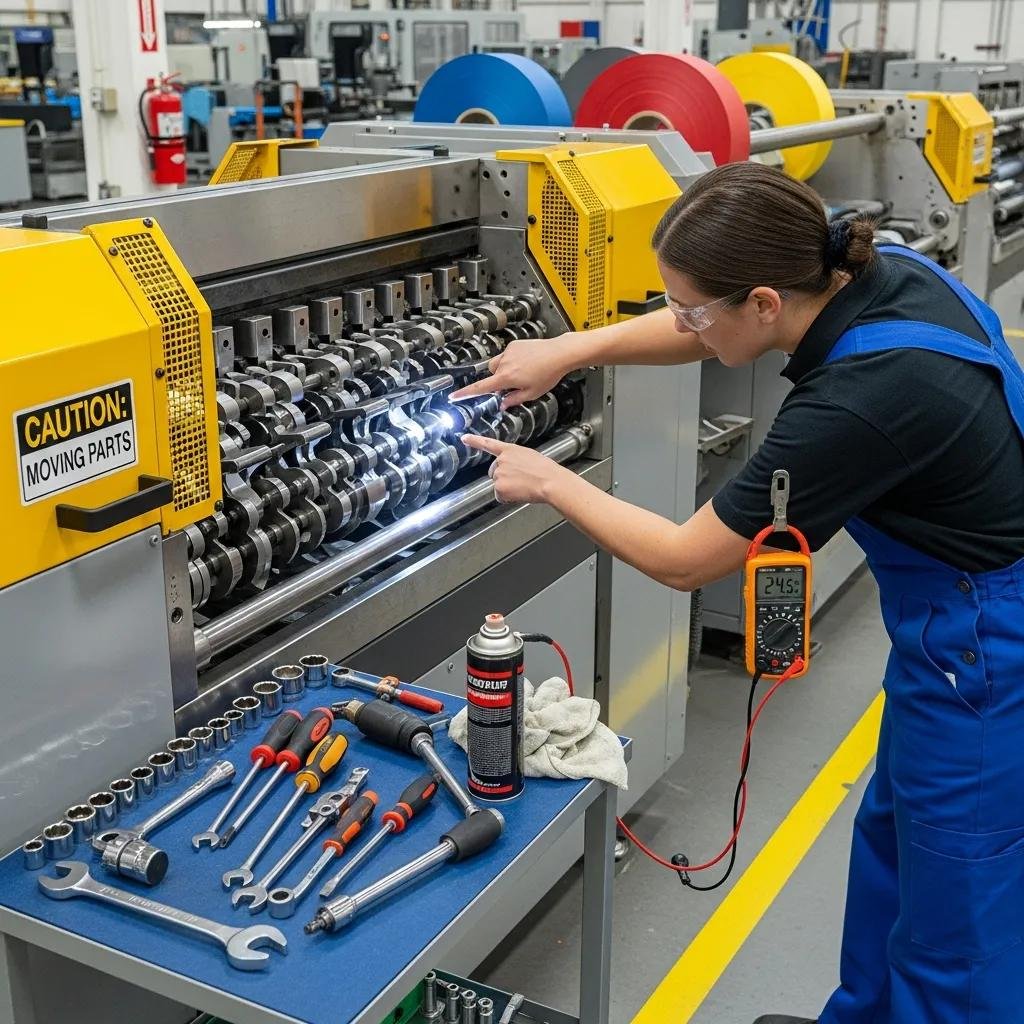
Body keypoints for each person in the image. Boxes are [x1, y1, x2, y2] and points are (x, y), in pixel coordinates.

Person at [452, 161, 1024, 1024]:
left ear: (763, 302)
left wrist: (548, 481)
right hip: (950, 626)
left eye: (689, 308)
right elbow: (707, 328)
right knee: (895, 843)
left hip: (990, 647)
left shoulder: (862, 399)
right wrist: (571, 348)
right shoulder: (872, 273)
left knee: (959, 903)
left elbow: (686, 560)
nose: (681, 324)